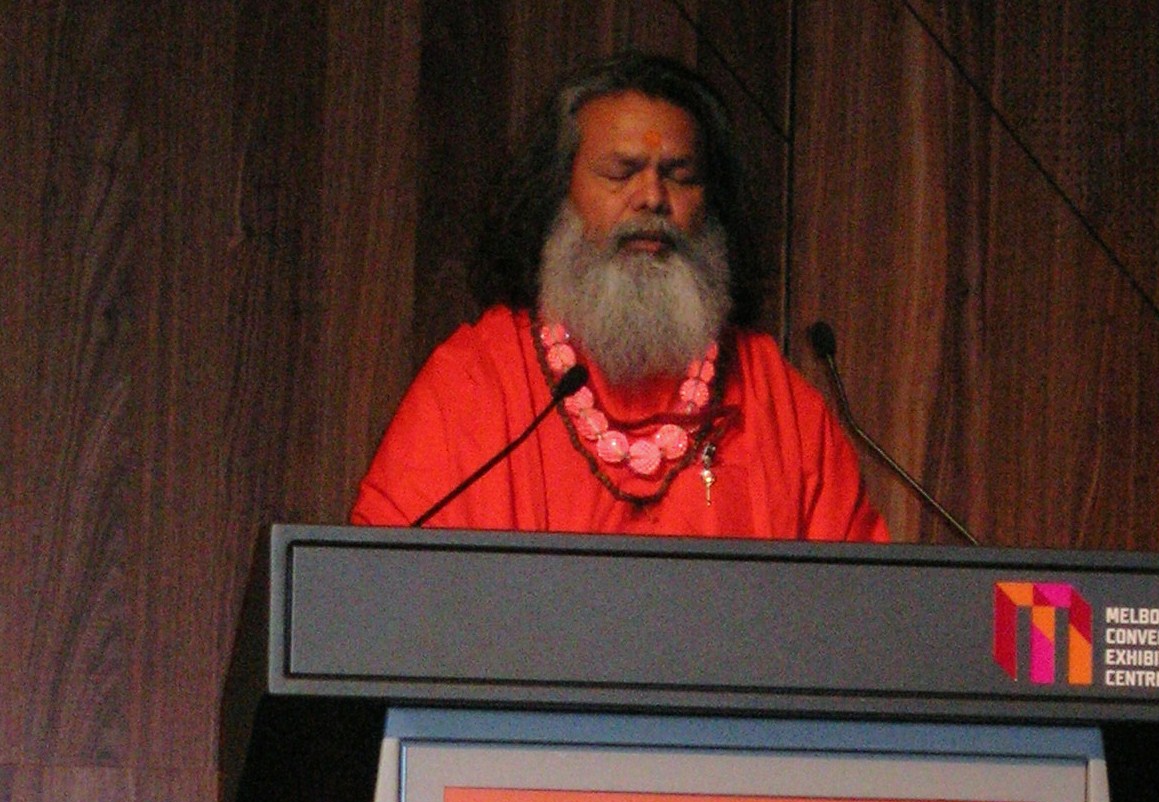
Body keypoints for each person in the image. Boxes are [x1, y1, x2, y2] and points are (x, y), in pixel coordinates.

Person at [351, 51, 885, 542]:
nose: (652, 198)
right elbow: (380, 594)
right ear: (559, 192)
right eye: (619, 172)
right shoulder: (473, 384)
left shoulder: (777, 404)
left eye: (681, 177)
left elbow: (860, 612)